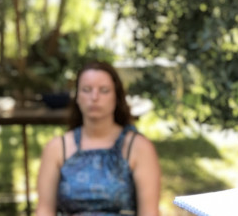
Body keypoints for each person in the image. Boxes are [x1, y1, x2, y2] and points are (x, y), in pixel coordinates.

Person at [36, 61, 161, 216]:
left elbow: (150, 212)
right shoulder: (56, 148)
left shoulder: (139, 148)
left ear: (117, 96)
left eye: (104, 90)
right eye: (86, 90)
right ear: (77, 97)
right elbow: (44, 210)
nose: (94, 97)